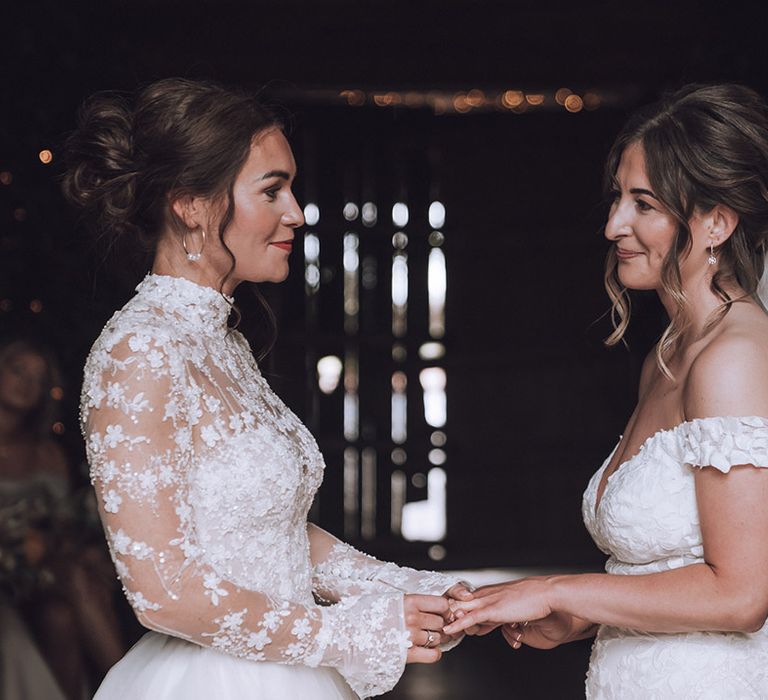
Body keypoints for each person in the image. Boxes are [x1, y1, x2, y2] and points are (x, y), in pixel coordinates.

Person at [63, 78, 471, 700]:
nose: (297, 212)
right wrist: (344, 634)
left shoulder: (221, 342)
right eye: (273, 189)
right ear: (191, 205)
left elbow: (273, 534)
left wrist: (413, 590)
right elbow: (162, 592)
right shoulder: (138, 352)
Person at [445, 83, 768, 698]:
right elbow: (673, 571)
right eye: (618, 198)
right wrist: (582, 616)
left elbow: (740, 594)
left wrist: (555, 588)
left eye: (643, 204)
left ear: (716, 223)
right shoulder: (669, 354)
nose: (614, 223)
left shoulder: (734, 358)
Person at [0, 339, 125, 699]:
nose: (27, 384)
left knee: (61, 616)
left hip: (41, 572)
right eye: (19, 371)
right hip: (12, 570)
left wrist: (64, 546)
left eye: (38, 379)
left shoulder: (47, 452)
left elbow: (65, 523)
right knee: (72, 586)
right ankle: (134, 685)